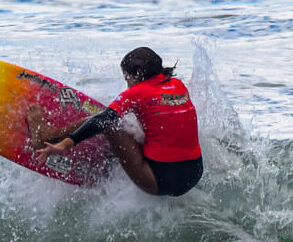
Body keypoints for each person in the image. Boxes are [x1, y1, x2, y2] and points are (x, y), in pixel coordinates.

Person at [28, 47, 203, 196]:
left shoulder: (136, 93)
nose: (127, 85)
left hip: (158, 180)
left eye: (127, 79)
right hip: (194, 174)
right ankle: (115, 157)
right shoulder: (178, 85)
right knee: (136, 124)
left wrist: (66, 144)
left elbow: (103, 119)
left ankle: (47, 135)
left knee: (110, 122)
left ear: (139, 74)